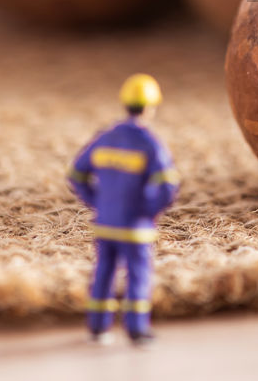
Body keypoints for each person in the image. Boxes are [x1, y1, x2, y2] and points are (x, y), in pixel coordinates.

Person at [67, 74, 180, 345]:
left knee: (104, 271)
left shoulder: (105, 138)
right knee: (138, 274)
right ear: (150, 107)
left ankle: (97, 327)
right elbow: (168, 185)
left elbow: (76, 174)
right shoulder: (150, 143)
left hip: (106, 223)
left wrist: (97, 201)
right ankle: (137, 329)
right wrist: (148, 209)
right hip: (134, 226)